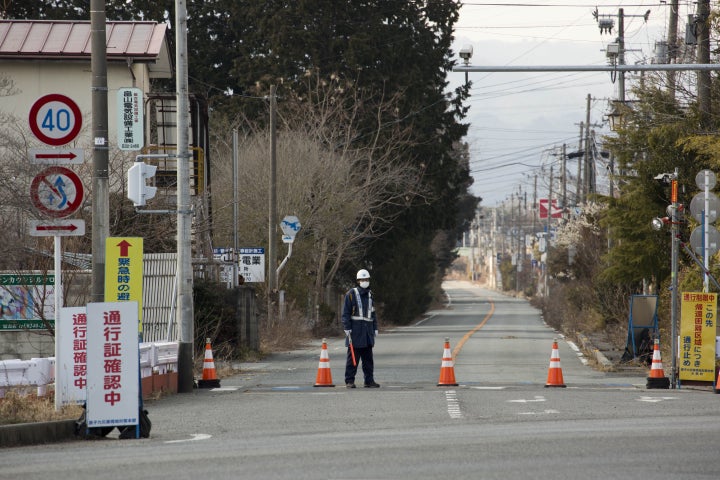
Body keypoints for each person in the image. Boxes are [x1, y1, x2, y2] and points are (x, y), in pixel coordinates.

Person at [342, 269, 379, 388]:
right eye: (363, 280)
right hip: (355, 332)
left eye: (366, 279)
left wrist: (375, 328)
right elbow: (346, 313)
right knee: (352, 359)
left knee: (368, 360)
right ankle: (349, 381)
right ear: (358, 281)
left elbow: (373, 314)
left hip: (367, 332)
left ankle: (369, 381)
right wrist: (347, 328)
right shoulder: (351, 294)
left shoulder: (370, 295)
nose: (365, 281)